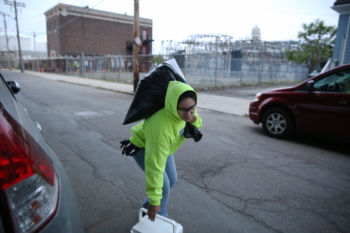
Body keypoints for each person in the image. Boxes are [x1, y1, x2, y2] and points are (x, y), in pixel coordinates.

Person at [120, 80, 202, 221]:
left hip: (164, 149)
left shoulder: (187, 108)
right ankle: (158, 218)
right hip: (145, 148)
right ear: (172, 106)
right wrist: (155, 201)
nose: (188, 115)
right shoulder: (161, 127)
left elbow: (195, 121)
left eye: (192, 109)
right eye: (182, 110)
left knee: (171, 180)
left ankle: (146, 209)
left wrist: (194, 120)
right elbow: (154, 166)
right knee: (162, 186)